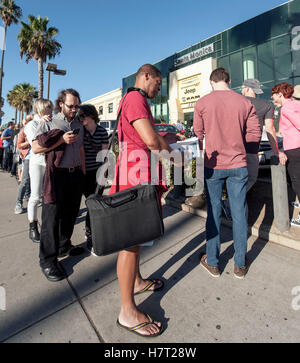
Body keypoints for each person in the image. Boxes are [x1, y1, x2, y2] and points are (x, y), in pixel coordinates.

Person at [110, 64, 179, 338]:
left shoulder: (132, 99)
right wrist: (173, 151)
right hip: (135, 176)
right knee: (130, 243)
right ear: (146, 76)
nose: (158, 89)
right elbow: (150, 140)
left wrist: (166, 142)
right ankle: (127, 311)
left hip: (135, 173)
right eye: (158, 83)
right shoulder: (136, 98)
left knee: (135, 240)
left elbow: (148, 137)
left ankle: (136, 282)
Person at [193, 68, 261, 279]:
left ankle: (213, 262)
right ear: (229, 81)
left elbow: (197, 132)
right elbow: (254, 132)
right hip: (238, 163)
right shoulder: (244, 102)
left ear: (211, 82)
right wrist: (244, 151)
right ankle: (240, 264)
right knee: (239, 212)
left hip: (213, 165)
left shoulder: (202, 103)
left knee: (213, 210)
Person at [32, 89, 85, 282]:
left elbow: (80, 149)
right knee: (51, 218)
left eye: (77, 106)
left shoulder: (78, 123)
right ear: (61, 104)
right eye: (71, 106)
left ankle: (64, 246)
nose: (74, 109)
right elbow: (36, 147)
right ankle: (47, 260)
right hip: (56, 176)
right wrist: (61, 140)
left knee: (70, 213)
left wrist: (83, 172)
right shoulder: (49, 122)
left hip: (75, 174)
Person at [241, 79, 287, 191]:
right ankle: (231, 202)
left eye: (242, 88)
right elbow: (270, 129)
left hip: (232, 148)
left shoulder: (235, 102)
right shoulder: (266, 105)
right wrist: (276, 152)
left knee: (234, 179)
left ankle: (229, 202)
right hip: (251, 149)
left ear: (247, 88)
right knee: (251, 178)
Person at [79, 104, 109, 253]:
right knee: (90, 202)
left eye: (83, 116)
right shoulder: (80, 132)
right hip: (84, 173)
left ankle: (90, 233)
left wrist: (103, 174)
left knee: (93, 203)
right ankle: (91, 231)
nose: (81, 119)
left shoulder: (102, 131)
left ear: (91, 115)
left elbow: (104, 155)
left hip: (98, 172)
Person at [271, 82, 300, 227]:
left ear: (280, 95)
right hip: (296, 147)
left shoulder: (287, 108)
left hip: (295, 148)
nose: (272, 98)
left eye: (274, 95)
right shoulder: (295, 104)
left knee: (296, 181)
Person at [25, 99, 53, 243]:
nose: (51, 110)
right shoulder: (32, 124)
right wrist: (41, 123)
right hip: (36, 162)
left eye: (51, 108)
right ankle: (33, 226)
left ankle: (47, 225)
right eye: (48, 108)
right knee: (35, 195)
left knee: (48, 195)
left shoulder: (51, 121)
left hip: (49, 161)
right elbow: (35, 143)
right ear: (41, 109)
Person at [14, 117, 32, 214]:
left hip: (39, 157)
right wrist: (29, 142)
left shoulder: (39, 127)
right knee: (25, 180)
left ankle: (29, 197)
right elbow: (19, 145)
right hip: (28, 157)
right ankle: (18, 203)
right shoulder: (23, 131)